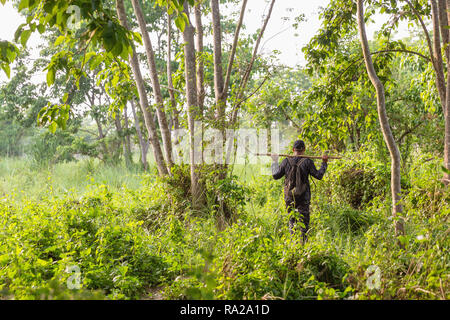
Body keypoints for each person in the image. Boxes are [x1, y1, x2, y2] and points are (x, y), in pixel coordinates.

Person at [271, 140, 328, 242]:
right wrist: (324, 163)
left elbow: (275, 175)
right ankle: (303, 247)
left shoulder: (286, 161)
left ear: (293, 150)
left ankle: (293, 245)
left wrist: (274, 161)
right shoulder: (307, 162)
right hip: (303, 199)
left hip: (289, 198)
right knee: (304, 225)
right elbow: (319, 175)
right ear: (304, 150)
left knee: (292, 222)